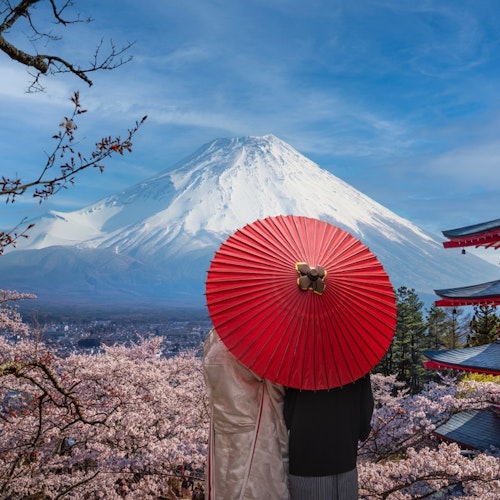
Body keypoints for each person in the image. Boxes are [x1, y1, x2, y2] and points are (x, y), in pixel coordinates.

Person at [203, 328, 289, 499]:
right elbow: (276, 390)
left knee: (224, 483)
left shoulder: (213, 339)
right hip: (253, 424)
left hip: (221, 424)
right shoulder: (254, 342)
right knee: (252, 485)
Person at [283, 374, 374, 500]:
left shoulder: (295, 367)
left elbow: (285, 417)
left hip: (306, 464)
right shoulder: (354, 366)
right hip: (345, 459)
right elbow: (365, 417)